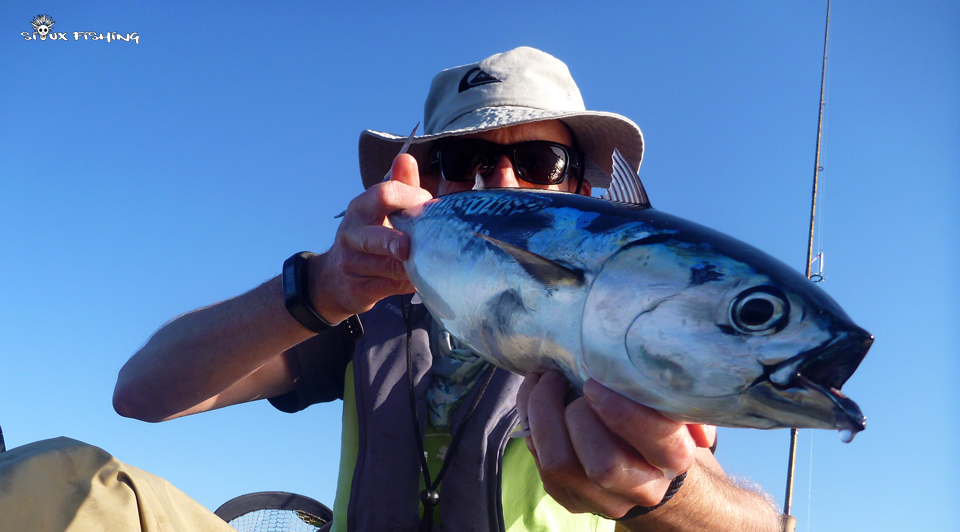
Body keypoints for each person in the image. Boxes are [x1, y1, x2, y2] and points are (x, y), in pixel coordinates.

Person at [109, 47, 782, 531]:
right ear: (427, 188)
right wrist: (318, 285)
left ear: (580, 188)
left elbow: (749, 521)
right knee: (76, 482)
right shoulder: (360, 313)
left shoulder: (628, 331)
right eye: (466, 161)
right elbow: (142, 393)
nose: (503, 183)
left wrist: (671, 494)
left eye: (539, 161)